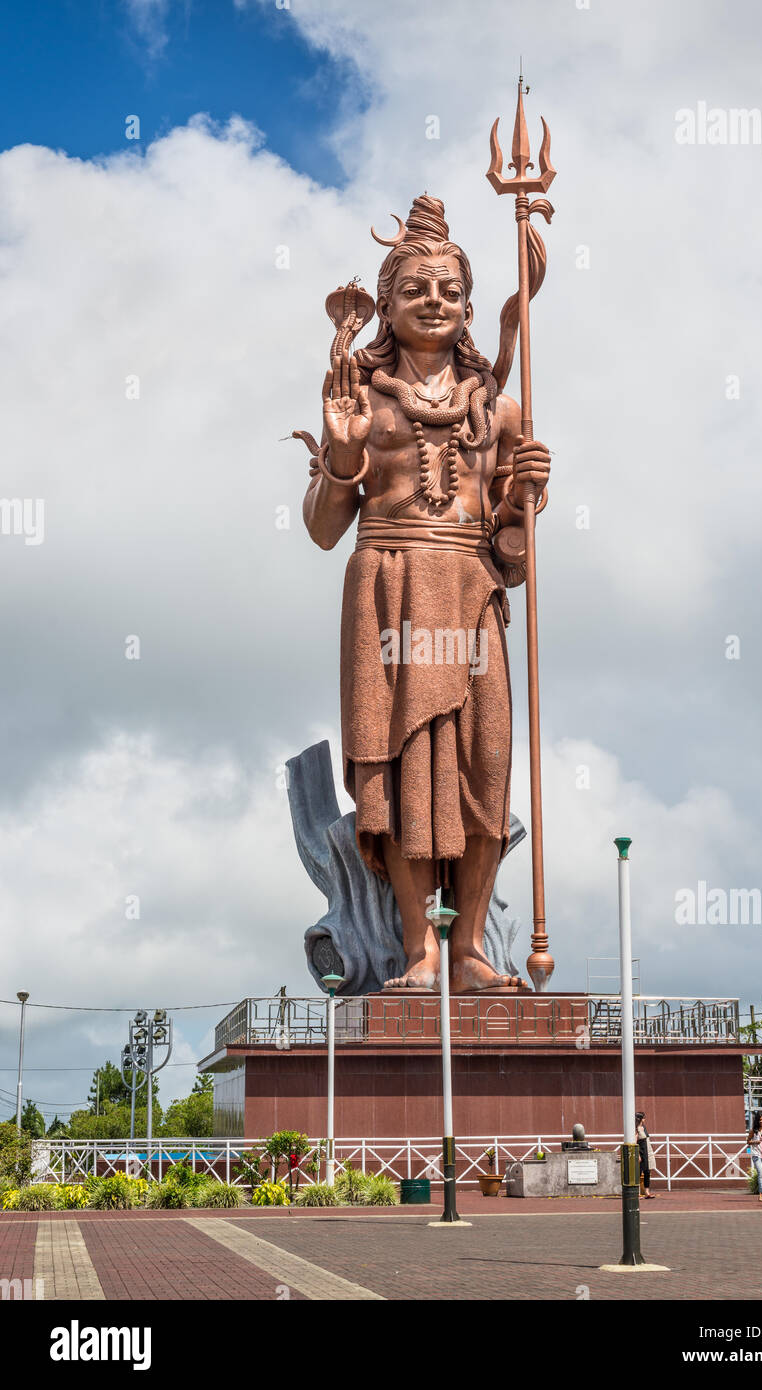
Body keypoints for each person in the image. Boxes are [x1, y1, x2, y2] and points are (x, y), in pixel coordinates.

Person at [301, 194, 552, 993]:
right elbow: (320, 527)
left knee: (483, 764)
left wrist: (526, 497)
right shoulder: (360, 401)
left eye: (448, 289)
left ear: (471, 308)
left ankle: (472, 946)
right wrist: (341, 461)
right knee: (404, 772)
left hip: (469, 589)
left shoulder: (500, 407)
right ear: (386, 305)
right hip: (389, 584)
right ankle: (420, 949)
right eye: (415, 289)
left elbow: (511, 552)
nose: (434, 301)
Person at [635, 1111, 656, 1198]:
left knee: (647, 1171)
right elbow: (635, 1142)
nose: (645, 1119)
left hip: (648, 1150)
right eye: (644, 1117)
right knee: (639, 1172)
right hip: (641, 1151)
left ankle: (647, 1192)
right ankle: (636, 1192)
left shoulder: (643, 1127)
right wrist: (638, 1155)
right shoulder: (636, 1128)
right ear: (641, 1119)